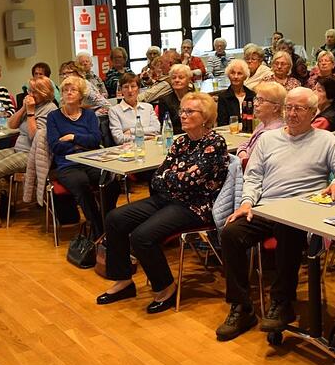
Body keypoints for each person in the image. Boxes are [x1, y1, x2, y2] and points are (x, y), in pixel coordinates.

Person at [215, 87, 335, 341]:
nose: (291, 113)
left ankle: (281, 302)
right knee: (230, 233)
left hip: (302, 210)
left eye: (298, 109)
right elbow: (253, 176)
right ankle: (241, 306)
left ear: (313, 113)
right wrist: (247, 202)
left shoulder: (325, 140)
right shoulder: (268, 140)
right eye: (288, 107)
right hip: (266, 206)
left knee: (288, 229)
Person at [97, 92, 228, 314]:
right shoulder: (181, 142)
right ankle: (124, 281)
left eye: (189, 111)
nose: (183, 116)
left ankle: (166, 287)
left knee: (142, 236)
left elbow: (191, 183)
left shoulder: (214, 143)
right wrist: (175, 178)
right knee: (115, 218)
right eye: (182, 111)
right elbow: (158, 178)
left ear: (205, 117)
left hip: (196, 206)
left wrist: (173, 177)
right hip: (167, 199)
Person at [0, 76, 58, 233]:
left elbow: (35, 137)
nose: (29, 94)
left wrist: (30, 113)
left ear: (43, 93)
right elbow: (11, 125)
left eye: (33, 91)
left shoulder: (50, 109)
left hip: (32, 154)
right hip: (18, 148)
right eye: (28, 90)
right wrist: (23, 109)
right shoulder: (32, 105)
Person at [47, 75, 120, 237]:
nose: (68, 93)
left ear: (81, 94)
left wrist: (73, 137)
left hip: (90, 160)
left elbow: (95, 140)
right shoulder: (54, 117)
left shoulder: (89, 115)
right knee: (81, 183)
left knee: (111, 181)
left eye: (73, 90)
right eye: (65, 90)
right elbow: (55, 146)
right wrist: (81, 143)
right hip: (67, 165)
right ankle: (98, 229)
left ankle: (107, 220)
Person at [235, 82, 286, 166]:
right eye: (256, 99)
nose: (255, 104)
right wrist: (243, 153)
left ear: (275, 108)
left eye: (261, 100)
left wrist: (242, 155)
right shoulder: (263, 123)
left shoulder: (273, 133)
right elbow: (246, 144)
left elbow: (251, 160)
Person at [108, 72, 161, 145]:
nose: (130, 90)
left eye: (133, 86)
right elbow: (119, 138)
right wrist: (146, 137)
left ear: (138, 89)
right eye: (126, 87)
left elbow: (157, 129)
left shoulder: (148, 107)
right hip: (129, 150)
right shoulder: (114, 111)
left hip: (151, 146)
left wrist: (131, 131)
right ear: (121, 90)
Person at [216, 59, 255, 126]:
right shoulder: (223, 97)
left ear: (245, 77)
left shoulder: (252, 95)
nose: (235, 76)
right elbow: (222, 123)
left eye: (239, 73)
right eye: (233, 73)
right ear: (228, 75)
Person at [156, 64, 193, 134]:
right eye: (173, 78)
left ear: (189, 80)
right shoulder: (164, 100)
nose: (177, 80)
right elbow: (166, 126)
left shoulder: (196, 97)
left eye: (181, 77)